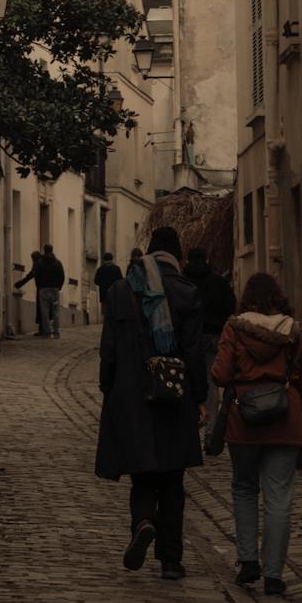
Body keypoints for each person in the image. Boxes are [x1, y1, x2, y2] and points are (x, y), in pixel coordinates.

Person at [95, 225, 208, 581]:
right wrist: (201, 398)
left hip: (132, 396)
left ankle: (143, 521)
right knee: (173, 479)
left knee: (143, 472)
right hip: (175, 397)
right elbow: (194, 353)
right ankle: (172, 561)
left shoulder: (119, 291)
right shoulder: (188, 292)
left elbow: (108, 351)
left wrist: (109, 389)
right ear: (177, 256)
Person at [211, 271, 302, 598]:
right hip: (285, 420)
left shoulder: (235, 327)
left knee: (244, 488)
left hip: (244, 419)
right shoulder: (292, 330)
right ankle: (273, 574)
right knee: (278, 497)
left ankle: (248, 560)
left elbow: (220, 374)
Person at [184, 246, 236, 424]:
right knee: (211, 382)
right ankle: (211, 428)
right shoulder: (218, 282)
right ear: (206, 260)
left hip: (188, 337)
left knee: (187, 379)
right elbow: (230, 306)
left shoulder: (182, 281)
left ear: (187, 260)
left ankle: (190, 423)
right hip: (213, 335)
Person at [33, 243, 64, 338]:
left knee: (44, 312)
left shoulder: (40, 262)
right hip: (54, 289)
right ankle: (56, 333)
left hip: (43, 289)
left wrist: (39, 286)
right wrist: (59, 286)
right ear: (52, 249)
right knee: (55, 312)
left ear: (44, 250)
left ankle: (47, 333)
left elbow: (36, 275)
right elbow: (62, 276)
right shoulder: (58, 262)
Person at [12, 250, 42, 334]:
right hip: (49, 287)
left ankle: (42, 329)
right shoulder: (44, 263)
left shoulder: (38, 264)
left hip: (41, 288)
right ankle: (47, 329)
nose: (32, 260)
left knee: (41, 308)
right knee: (46, 309)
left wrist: (19, 284)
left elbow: (31, 275)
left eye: (33, 259)